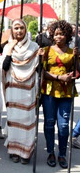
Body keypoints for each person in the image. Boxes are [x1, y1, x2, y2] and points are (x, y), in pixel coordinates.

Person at [2, 19, 40, 164]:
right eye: (16, 28)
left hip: (28, 89)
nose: (18, 31)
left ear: (25, 30)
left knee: (27, 120)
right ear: (12, 30)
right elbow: (4, 68)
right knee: (14, 119)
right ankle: (14, 150)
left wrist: (40, 57)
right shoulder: (8, 47)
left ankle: (26, 151)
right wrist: (10, 49)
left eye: (21, 28)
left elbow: (38, 69)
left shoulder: (34, 46)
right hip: (13, 88)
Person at [41, 20, 78, 169]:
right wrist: (58, 77)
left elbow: (78, 72)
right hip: (49, 91)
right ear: (52, 35)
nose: (59, 37)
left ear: (67, 35)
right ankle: (50, 152)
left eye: (62, 34)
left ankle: (62, 154)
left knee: (63, 125)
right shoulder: (46, 50)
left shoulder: (72, 52)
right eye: (56, 34)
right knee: (50, 123)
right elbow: (42, 72)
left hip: (66, 92)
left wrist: (76, 61)